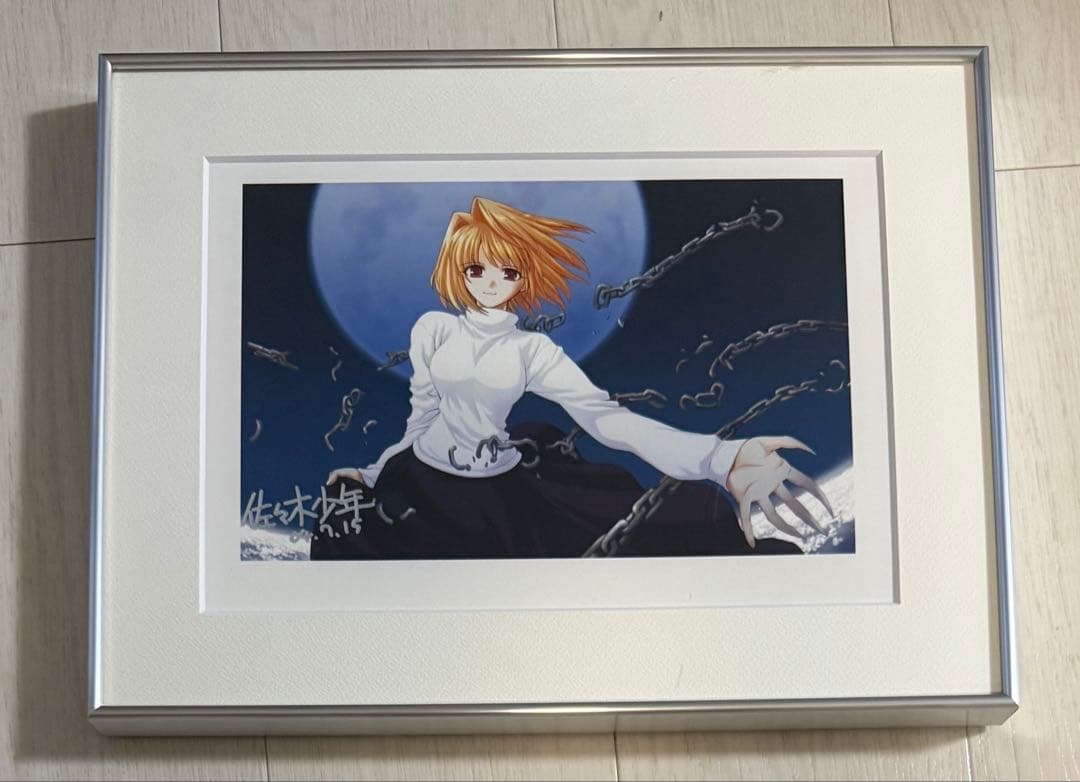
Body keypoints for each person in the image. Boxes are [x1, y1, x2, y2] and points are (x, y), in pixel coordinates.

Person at [312, 197, 832, 559]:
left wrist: (722, 457)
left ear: (523, 277)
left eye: (507, 271)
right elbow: (421, 417)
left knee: (647, 535)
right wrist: (374, 473)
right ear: (457, 269)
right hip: (422, 485)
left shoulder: (531, 349)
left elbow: (605, 419)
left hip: (495, 494)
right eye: (476, 269)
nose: (491, 282)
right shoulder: (432, 329)